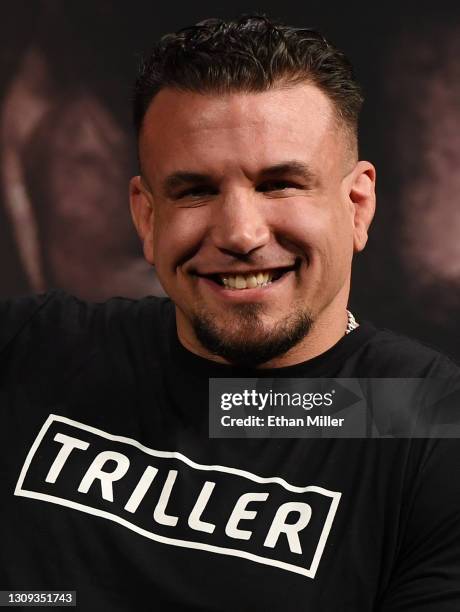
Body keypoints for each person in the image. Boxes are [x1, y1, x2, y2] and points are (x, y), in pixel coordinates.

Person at [1, 15, 459, 612]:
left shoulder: (425, 422)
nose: (240, 234)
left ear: (356, 206)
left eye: (280, 184)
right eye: (195, 190)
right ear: (146, 217)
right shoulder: (35, 348)